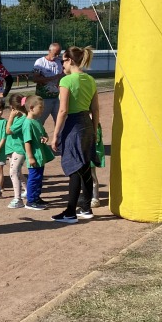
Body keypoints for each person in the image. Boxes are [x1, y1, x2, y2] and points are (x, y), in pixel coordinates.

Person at [50, 46, 100, 224]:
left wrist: (55, 135)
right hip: (86, 123)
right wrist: (93, 130)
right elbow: (95, 109)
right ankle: (86, 207)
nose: (61, 63)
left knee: (74, 168)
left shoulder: (66, 81)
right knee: (84, 165)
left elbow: (63, 110)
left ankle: (70, 212)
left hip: (73, 125)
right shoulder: (90, 80)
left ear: (70, 61)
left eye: (63, 60)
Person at [22, 95, 55, 211]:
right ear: (31, 108)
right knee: (34, 178)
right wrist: (30, 157)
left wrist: (45, 137)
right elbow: (27, 141)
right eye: (40, 108)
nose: (43, 110)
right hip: (34, 157)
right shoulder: (28, 123)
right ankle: (31, 201)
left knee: (39, 178)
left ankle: (36, 197)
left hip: (40, 156)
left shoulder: (37, 122)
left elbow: (43, 133)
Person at [4, 94, 28, 209]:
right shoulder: (20, 116)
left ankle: (17, 199)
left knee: (13, 172)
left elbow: (8, 130)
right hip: (13, 148)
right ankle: (28, 190)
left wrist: (11, 117)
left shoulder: (22, 118)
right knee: (17, 172)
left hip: (19, 149)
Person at [32, 42, 63, 127]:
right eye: (55, 54)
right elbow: (35, 79)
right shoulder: (40, 62)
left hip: (57, 98)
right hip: (43, 99)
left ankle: (59, 139)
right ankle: (38, 139)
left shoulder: (60, 62)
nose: (57, 56)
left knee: (60, 122)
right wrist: (53, 77)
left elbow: (62, 76)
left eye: (58, 54)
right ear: (49, 51)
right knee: (39, 122)